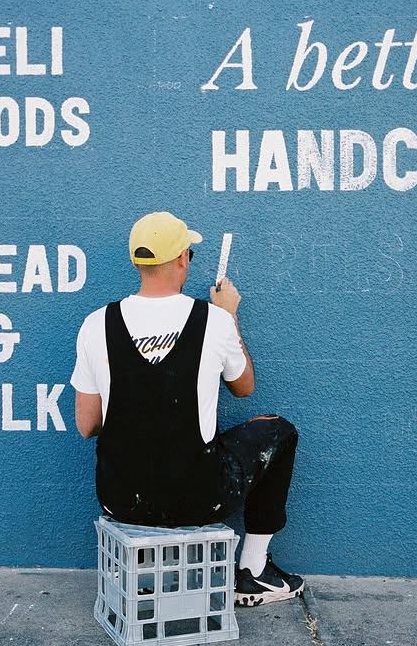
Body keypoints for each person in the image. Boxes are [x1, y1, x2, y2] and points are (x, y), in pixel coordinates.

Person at [70, 211, 304, 606]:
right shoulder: (214, 320)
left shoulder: (96, 324)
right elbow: (244, 387)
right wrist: (229, 315)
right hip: (198, 498)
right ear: (182, 259)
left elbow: (86, 425)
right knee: (279, 431)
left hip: (120, 498)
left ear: (137, 262)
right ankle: (253, 571)